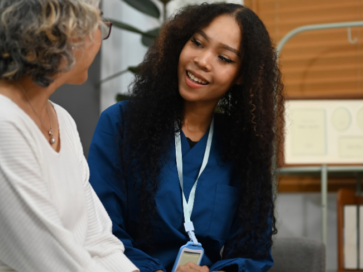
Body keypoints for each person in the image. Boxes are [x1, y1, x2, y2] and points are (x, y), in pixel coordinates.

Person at [0, 0, 137, 271]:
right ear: (61, 35)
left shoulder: (62, 120)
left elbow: (98, 239)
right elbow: (52, 262)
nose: (101, 38)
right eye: (98, 25)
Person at [88, 3, 284, 272]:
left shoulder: (244, 148)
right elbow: (101, 228)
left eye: (224, 58)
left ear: (241, 76)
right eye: (197, 43)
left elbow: (252, 252)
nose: (202, 61)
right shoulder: (120, 124)